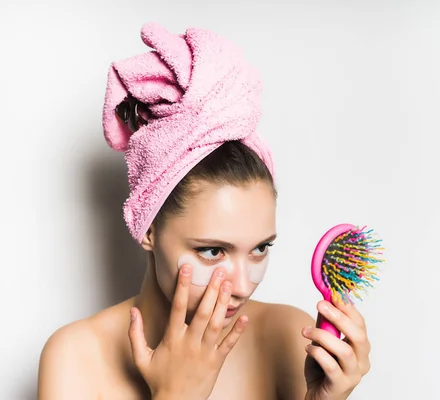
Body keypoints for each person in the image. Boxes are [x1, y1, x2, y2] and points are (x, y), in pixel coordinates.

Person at [37, 23, 371, 400]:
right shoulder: (77, 357)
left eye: (260, 248)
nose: (243, 286)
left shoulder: (290, 337)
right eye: (212, 251)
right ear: (149, 228)